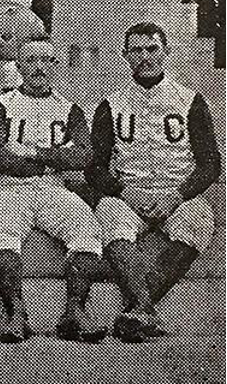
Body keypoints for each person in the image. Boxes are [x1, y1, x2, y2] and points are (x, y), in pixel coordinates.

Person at [89, 22, 221, 343]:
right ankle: (144, 309)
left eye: (152, 49)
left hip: (176, 194)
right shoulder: (111, 104)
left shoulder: (190, 101)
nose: (145, 57)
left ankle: (138, 306)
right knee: (108, 214)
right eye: (137, 51)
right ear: (125, 56)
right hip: (128, 194)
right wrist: (124, 192)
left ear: (166, 52)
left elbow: (211, 164)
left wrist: (177, 196)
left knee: (200, 220)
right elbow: (94, 168)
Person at [0, 34, 107, 343]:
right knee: (2, 235)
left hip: (53, 189)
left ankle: (75, 312)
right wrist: (53, 160)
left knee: (87, 229)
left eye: (45, 60)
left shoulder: (69, 109)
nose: (38, 67)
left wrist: (35, 155)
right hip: (8, 189)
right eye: (30, 61)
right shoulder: (1, 104)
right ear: (19, 66)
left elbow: (85, 155)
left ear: (55, 65)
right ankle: (16, 312)